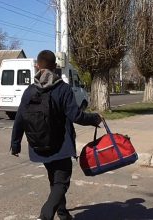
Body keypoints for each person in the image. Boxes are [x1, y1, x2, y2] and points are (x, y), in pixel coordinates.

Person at [10, 50, 102, 220]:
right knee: (61, 182)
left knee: (54, 179)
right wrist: (95, 118)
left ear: (38, 66)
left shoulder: (29, 90)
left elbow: (20, 119)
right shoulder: (63, 89)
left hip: (38, 145)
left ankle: (62, 213)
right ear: (55, 67)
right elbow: (76, 116)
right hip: (61, 146)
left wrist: (15, 144)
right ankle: (45, 215)